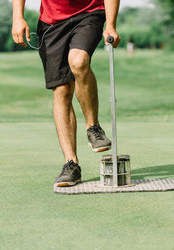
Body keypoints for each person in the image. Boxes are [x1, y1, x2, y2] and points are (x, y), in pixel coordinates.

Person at [12, 0, 121, 187]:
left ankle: (93, 127)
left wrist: (110, 24)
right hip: (51, 23)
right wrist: (17, 17)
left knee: (78, 61)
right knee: (62, 90)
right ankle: (71, 164)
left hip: (89, 12)